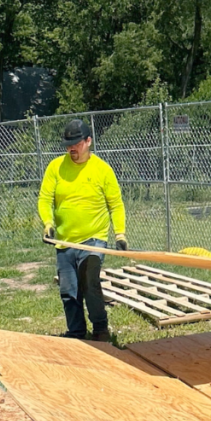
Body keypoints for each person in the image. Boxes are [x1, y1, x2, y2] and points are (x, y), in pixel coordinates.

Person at [38, 119, 128, 342]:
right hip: (66, 241)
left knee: (90, 282)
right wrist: (48, 223)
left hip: (93, 239)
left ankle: (100, 330)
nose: (72, 149)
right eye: (68, 144)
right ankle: (76, 333)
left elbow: (115, 204)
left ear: (88, 141)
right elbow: (45, 198)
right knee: (69, 291)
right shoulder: (55, 167)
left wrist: (120, 233)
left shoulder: (102, 170)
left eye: (76, 143)